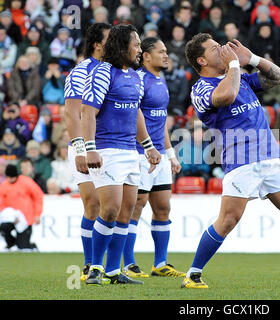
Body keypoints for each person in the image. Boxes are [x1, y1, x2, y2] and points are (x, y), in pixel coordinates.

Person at [183, 33, 280, 289]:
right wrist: (233, 66)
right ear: (201, 60)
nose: (222, 50)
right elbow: (226, 97)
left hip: (271, 155)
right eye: (214, 49)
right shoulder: (201, 89)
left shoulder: (239, 76)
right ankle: (193, 274)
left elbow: (278, 77)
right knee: (228, 220)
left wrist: (252, 58)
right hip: (240, 160)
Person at [81, 24, 160, 286]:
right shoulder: (103, 72)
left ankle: (114, 271)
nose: (140, 50)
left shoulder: (136, 76)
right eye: (136, 45)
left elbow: (136, 112)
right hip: (106, 150)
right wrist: (89, 148)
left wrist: (148, 146)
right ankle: (94, 267)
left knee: (126, 213)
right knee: (111, 209)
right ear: (122, 46)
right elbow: (88, 111)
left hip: (130, 150)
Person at [123, 37, 184, 279]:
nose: (166, 55)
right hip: (141, 153)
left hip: (160, 155)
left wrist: (171, 153)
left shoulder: (161, 80)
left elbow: (159, 122)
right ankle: (128, 263)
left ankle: (160, 263)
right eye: (161, 51)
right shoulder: (138, 80)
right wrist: (147, 148)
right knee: (136, 205)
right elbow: (132, 118)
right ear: (146, 56)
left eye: (166, 51)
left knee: (163, 207)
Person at [64, 22, 111, 281]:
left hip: (111, 146)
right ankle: (90, 264)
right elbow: (73, 113)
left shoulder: (115, 69)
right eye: (109, 38)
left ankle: (113, 266)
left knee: (115, 207)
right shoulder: (81, 71)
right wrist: (80, 148)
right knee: (93, 204)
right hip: (85, 148)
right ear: (96, 44)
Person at [0, 164, 43, 250]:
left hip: (25, 219)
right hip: (10, 218)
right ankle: (11, 243)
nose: (11, 179)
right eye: (9, 177)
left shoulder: (26, 182)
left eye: (13, 177)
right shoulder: (4, 186)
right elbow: (1, 203)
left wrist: (37, 214)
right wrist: (9, 216)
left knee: (23, 247)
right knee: (3, 228)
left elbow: (38, 196)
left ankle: (31, 246)